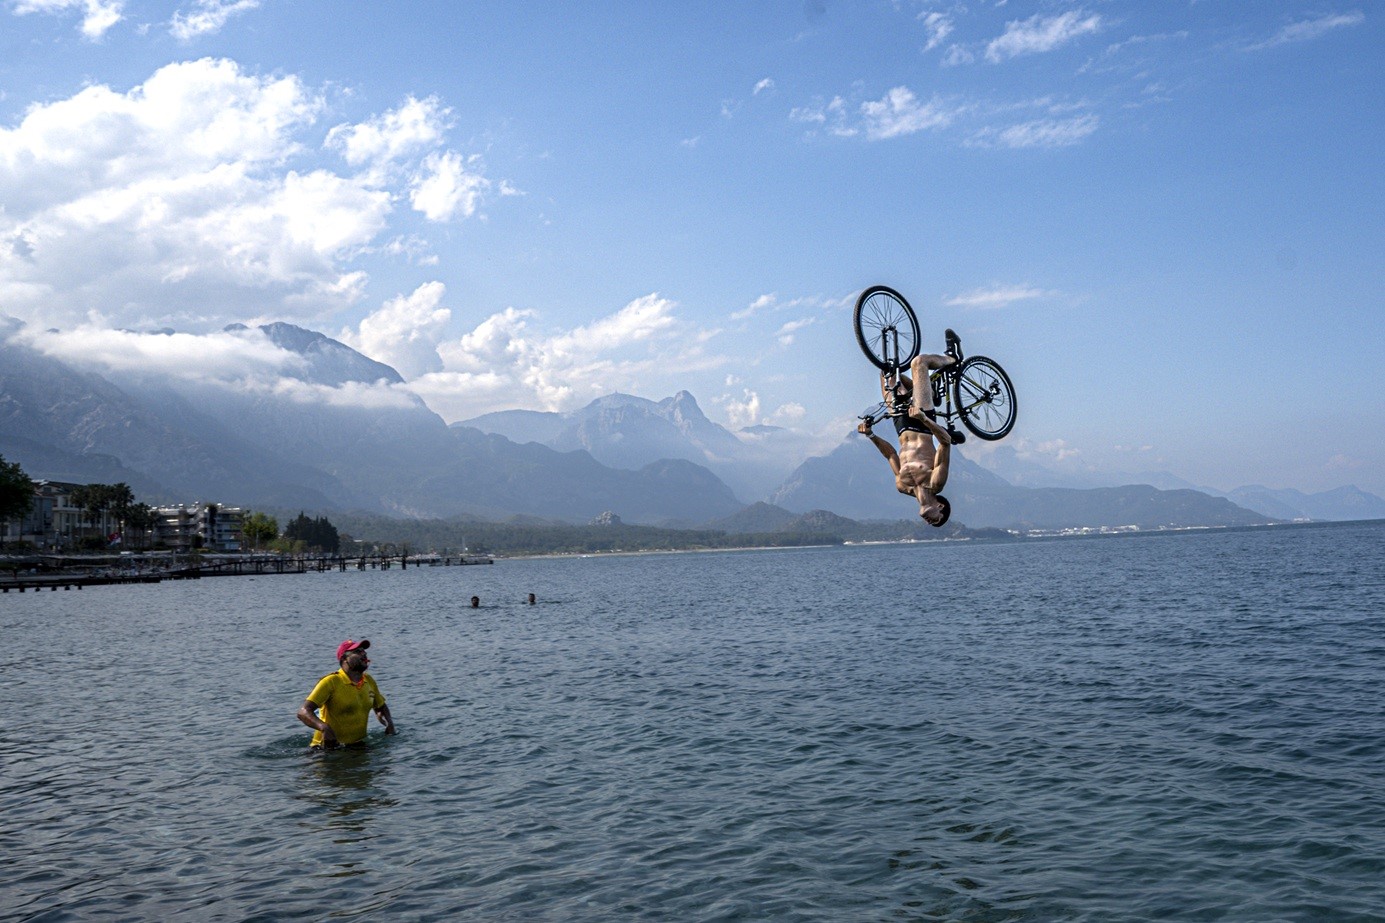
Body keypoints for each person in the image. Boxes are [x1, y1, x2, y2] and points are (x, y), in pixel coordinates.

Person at [857, 340, 961, 527]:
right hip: (921, 423)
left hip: (901, 426)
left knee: (886, 374)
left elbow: (890, 454)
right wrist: (924, 419)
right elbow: (946, 442)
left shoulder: (903, 486)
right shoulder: (935, 482)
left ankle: (923, 389)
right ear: (940, 507)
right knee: (919, 362)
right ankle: (952, 358)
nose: (931, 523)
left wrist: (871, 435)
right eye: (937, 520)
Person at [297, 639, 396, 748]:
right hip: (327, 749)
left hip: (358, 746)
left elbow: (380, 705)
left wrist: (389, 723)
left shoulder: (368, 680)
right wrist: (324, 727)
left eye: (363, 651)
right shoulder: (331, 682)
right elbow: (303, 712)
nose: (364, 654)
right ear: (344, 659)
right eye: (358, 652)